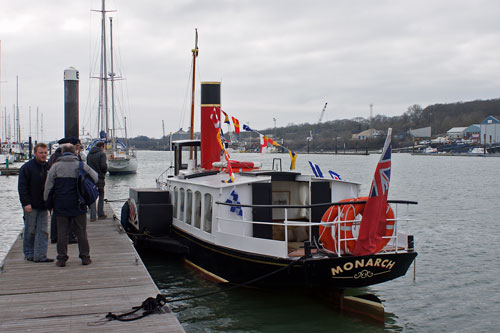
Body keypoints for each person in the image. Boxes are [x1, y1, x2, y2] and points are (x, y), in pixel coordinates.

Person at [44, 143, 98, 267]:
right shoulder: (81, 165)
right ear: (75, 153)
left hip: (60, 204)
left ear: (62, 153)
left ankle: (62, 258)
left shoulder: (55, 167)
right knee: (81, 232)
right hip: (79, 204)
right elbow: (95, 177)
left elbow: (48, 186)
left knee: (62, 232)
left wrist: (48, 202)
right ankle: (85, 257)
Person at [18, 142, 54, 263]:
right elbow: (22, 187)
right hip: (31, 205)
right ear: (35, 153)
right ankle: (29, 253)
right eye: (41, 153)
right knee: (30, 230)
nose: (44, 155)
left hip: (44, 205)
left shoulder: (48, 167)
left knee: (43, 230)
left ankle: (41, 255)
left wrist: (51, 203)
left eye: (45, 153)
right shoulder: (27, 168)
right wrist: (25, 203)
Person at [86, 141, 108, 221]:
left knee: (92, 196)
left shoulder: (89, 155)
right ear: (102, 147)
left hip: (91, 178)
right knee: (101, 194)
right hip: (100, 177)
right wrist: (104, 171)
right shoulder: (102, 154)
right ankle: (100, 214)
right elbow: (103, 166)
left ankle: (92, 216)